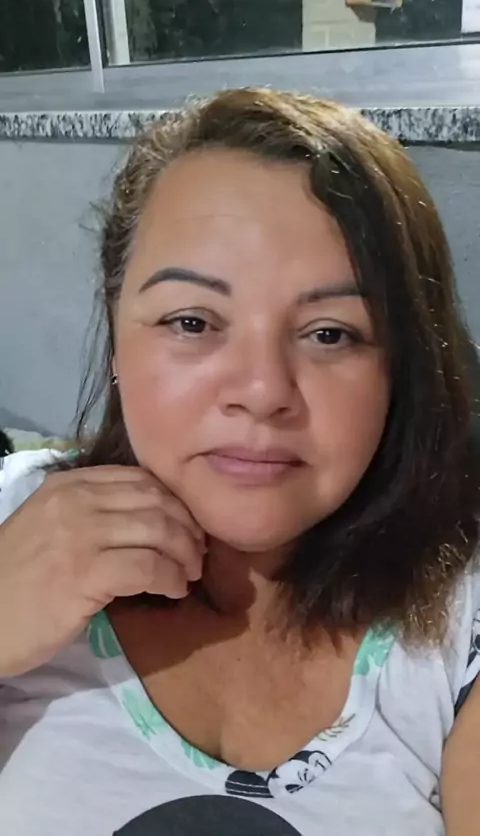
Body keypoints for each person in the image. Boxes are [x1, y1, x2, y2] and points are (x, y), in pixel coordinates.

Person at [0, 88, 479, 836]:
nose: (262, 392)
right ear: (118, 335)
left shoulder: (457, 612)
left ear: (401, 367)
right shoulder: (13, 526)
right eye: (192, 321)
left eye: (330, 333)